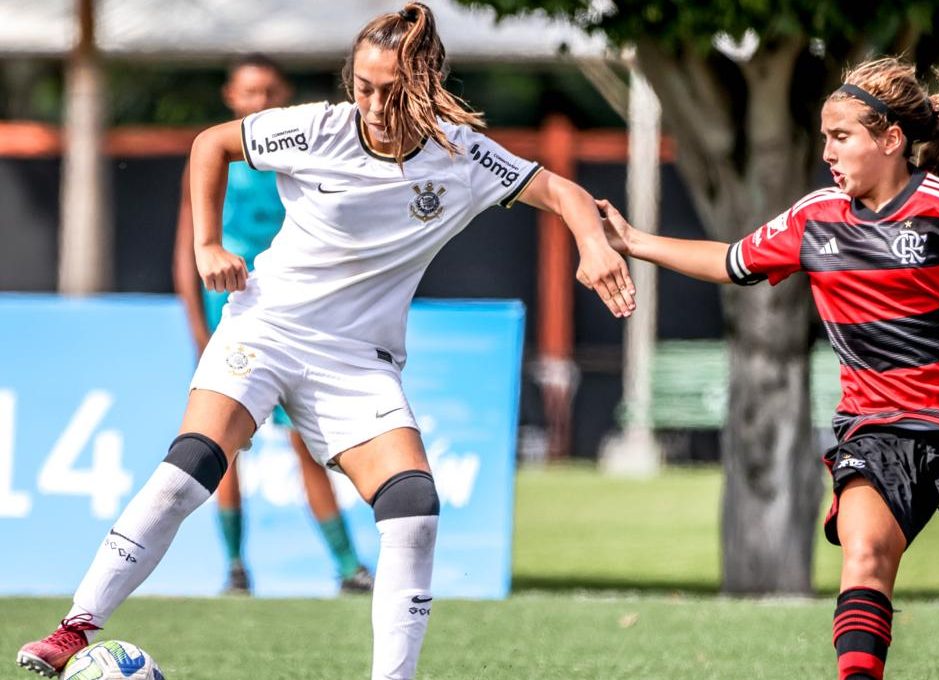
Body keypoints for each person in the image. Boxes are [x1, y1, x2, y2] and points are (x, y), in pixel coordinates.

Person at [15, 3, 635, 679]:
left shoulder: (463, 155)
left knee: (414, 510)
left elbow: (564, 190)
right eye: (361, 86)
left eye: (389, 91)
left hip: (356, 362)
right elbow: (210, 145)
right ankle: (74, 630)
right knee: (188, 471)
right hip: (267, 327)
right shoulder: (315, 128)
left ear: (424, 85)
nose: (370, 104)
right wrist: (206, 244)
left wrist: (592, 246)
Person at [598, 57, 939, 679]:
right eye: (825, 136)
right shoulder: (814, 218)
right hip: (874, 426)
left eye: (841, 136)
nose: (827, 150)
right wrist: (635, 242)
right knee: (865, 558)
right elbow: (732, 259)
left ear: (890, 140)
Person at [172, 52, 372, 596]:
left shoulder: (297, 155)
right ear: (230, 98)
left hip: (293, 310)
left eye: (268, 92)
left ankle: (348, 564)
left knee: (308, 443)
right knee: (223, 445)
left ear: (282, 95)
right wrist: (198, 329)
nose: (259, 101)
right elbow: (189, 249)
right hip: (229, 313)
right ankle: (235, 566)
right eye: (248, 92)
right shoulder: (213, 157)